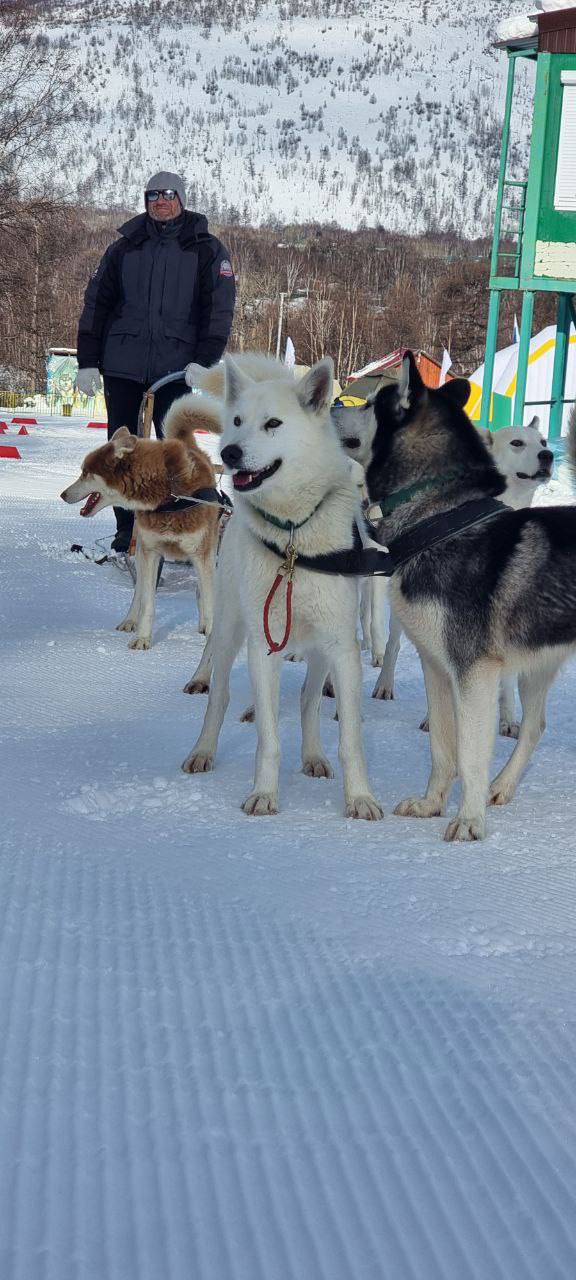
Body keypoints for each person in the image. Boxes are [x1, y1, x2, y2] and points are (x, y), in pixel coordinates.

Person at [76, 171, 235, 550]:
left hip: (177, 367)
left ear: (181, 198)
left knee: (176, 452)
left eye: (167, 195)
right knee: (120, 453)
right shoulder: (124, 248)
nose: (159, 201)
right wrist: (87, 359)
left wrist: (205, 359)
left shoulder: (206, 249)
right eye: (152, 195)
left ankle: (182, 522)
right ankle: (127, 530)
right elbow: (96, 303)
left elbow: (219, 308)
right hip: (122, 364)